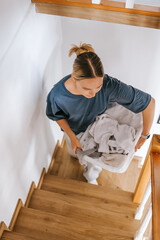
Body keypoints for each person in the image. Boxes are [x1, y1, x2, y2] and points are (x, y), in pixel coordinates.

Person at [46, 43, 155, 159]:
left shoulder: (109, 85)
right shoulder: (57, 96)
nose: (93, 94)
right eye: (86, 89)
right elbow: (56, 116)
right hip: (74, 131)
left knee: (94, 162)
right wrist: (72, 137)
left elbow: (149, 103)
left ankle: (91, 176)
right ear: (74, 78)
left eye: (98, 86)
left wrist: (144, 135)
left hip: (98, 124)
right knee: (74, 153)